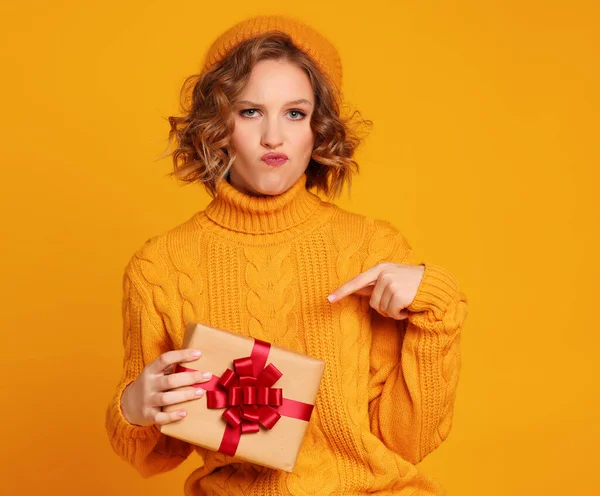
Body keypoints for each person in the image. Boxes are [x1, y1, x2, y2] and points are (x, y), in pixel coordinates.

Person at [105, 14, 468, 496]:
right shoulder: (161, 268)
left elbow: (406, 441)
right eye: (250, 111)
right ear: (218, 124)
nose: (273, 137)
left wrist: (435, 309)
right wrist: (133, 406)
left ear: (317, 128)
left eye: (294, 113)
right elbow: (154, 455)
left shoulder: (371, 249)